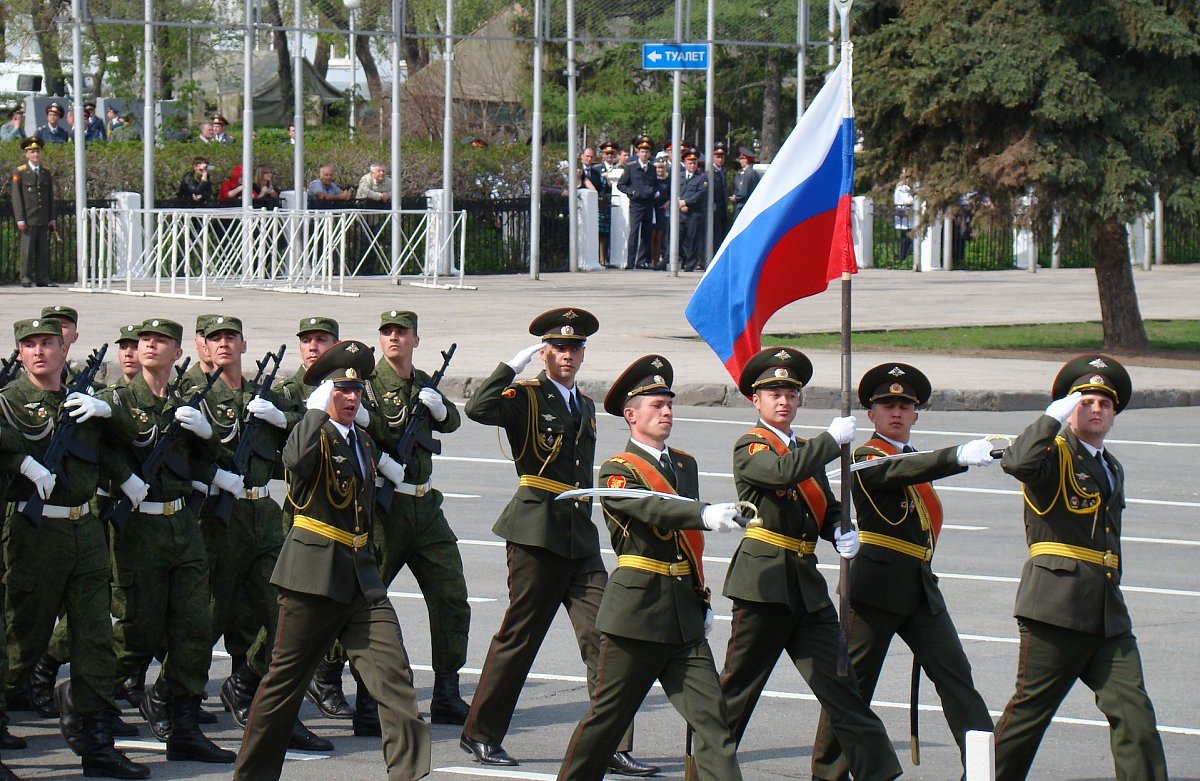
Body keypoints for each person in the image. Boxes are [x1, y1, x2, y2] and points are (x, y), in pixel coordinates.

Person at [461, 308, 657, 777]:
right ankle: (481, 733)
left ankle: (610, 743)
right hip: (535, 532)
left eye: (575, 348)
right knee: (520, 637)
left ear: (583, 354)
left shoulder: (585, 406)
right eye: (559, 348)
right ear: (545, 352)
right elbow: (478, 409)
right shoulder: (525, 396)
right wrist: (511, 367)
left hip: (579, 539)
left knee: (608, 638)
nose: (567, 355)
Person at [233, 340, 431, 781]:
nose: (351, 398)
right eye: (341, 390)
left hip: (362, 578)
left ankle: (409, 774)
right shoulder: (313, 435)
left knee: (395, 679)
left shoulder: (361, 439)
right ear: (325, 393)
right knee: (284, 685)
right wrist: (313, 413)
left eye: (356, 391)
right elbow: (294, 461)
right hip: (314, 578)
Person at [717, 347, 902, 781]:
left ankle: (879, 773)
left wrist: (840, 527)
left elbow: (824, 505)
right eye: (773, 392)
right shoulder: (751, 445)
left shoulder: (805, 448)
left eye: (791, 393)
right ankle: (708, 769)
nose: (783, 400)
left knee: (843, 689)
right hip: (762, 583)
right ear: (755, 400)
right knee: (737, 692)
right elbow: (782, 473)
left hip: (805, 587)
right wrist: (829, 442)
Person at [556, 355, 744, 781]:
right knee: (606, 722)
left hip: (683, 616)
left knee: (714, 723)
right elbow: (650, 509)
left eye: (669, 404)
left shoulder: (684, 464)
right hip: (636, 617)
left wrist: (701, 595)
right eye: (656, 405)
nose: (666, 412)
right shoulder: (617, 470)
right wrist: (702, 513)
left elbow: (687, 544)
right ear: (631, 414)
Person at [810, 362, 996, 779]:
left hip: (919, 588)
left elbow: (913, 469)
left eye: (905, 405)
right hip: (875, 588)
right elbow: (898, 473)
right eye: (886, 405)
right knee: (852, 687)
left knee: (955, 677)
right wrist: (957, 456)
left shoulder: (910, 457)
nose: (896, 412)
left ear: (916, 413)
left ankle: (984, 770)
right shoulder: (866, 456)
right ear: (871, 415)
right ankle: (828, 774)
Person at [993, 355, 1169, 781]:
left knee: (1136, 715)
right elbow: (1017, 463)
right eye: (1085, 401)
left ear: (1114, 414)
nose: (1095, 409)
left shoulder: (1110, 466)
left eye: (1104, 404)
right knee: (1028, 715)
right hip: (1056, 606)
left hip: (1107, 612)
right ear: (1069, 409)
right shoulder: (1052, 454)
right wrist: (1048, 420)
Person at [0, 316, 150, 779]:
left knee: (94, 641)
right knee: (20, 640)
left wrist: (122, 468)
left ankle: (98, 743)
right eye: (30, 345)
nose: (40, 351)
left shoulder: (80, 400)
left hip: (85, 530)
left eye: (48, 343)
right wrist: (22, 461)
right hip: (35, 532)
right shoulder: (9, 402)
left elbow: (113, 444)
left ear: (65, 349)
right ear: (20, 354)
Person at [186, 316, 327, 753]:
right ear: (202, 346)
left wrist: (278, 417)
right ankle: (176, 704)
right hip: (218, 517)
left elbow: (306, 428)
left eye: (231, 337)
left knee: (283, 615)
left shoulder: (257, 395)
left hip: (262, 514)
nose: (224, 345)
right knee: (208, 617)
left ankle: (266, 702)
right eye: (215, 339)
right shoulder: (195, 398)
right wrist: (212, 473)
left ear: (245, 344)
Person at [99, 318, 236, 763]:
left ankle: (185, 727)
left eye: (161, 341)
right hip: (139, 529)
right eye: (144, 341)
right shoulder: (117, 400)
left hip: (182, 526)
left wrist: (204, 432)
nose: (150, 345)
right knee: (140, 631)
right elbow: (93, 451)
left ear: (179, 354)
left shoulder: (185, 405)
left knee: (194, 631)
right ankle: (88, 706)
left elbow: (206, 460)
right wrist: (123, 478)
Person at [360, 310, 472, 726]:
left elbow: (453, 422)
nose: (394, 338)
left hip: (426, 508)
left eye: (402, 332)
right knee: (366, 603)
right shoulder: (369, 388)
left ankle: (446, 690)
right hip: (386, 511)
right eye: (387, 331)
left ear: (415, 340)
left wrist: (440, 408)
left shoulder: (425, 382)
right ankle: (365, 698)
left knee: (451, 596)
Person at [10, 136, 57, 288]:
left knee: (43, 250)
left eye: (37, 151)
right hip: (29, 217)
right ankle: (25, 277)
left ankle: (43, 278)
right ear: (26, 154)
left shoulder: (45, 172)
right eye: (32, 152)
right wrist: (20, 218)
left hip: (42, 217)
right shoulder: (21, 172)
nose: (36, 154)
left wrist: (52, 217)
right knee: (27, 250)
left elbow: (50, 196)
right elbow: (16, 197)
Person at [617, 137, 658, 270]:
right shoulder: (631, 168)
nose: (644, 154)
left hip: (648, 203)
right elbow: (621, 184)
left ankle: (642, 261)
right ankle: (630, 261)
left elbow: (655, 184)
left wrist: (654, 191)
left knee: (647, 233)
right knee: (634, 232)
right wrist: (632, 192)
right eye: (642, 151)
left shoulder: (652, 169)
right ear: (638, 153)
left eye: (647, 152)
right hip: (636, 204)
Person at [677, 150, 708, 272]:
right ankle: (676, 260)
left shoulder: (701, 177)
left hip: (694, 213)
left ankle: (690, 264)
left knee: (692, 239)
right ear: (685, 163)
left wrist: (686, 202)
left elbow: (700, 194)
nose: (692, 166)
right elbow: (674, 191)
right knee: (678, 237)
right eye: (690, 163)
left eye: (694, 163)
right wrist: (680, 203)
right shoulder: (679, 176)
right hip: (680, 212)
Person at [708, 141, 729, 253]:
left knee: (720, 234)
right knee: (714, 234)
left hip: (722, 208)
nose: (720, 160)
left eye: (722, 157)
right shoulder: (710, 171)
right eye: (717, 157)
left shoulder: (722, 171)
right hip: (714, 208)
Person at [730, 147, 762, 221]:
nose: (740, 161)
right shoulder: (746, 173)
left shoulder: (749, 173)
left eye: (741, 159)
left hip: (743, 207)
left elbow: (743, 192)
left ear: (746, 160)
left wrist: (735, 198)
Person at [893, 172, 915, 262]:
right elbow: (908, 201)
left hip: (902, 214)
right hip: (905, 215)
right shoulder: (904, 188)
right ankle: (903, 258)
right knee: (907, 238)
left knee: (905, 238)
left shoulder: (898, 188)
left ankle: (903, 258)